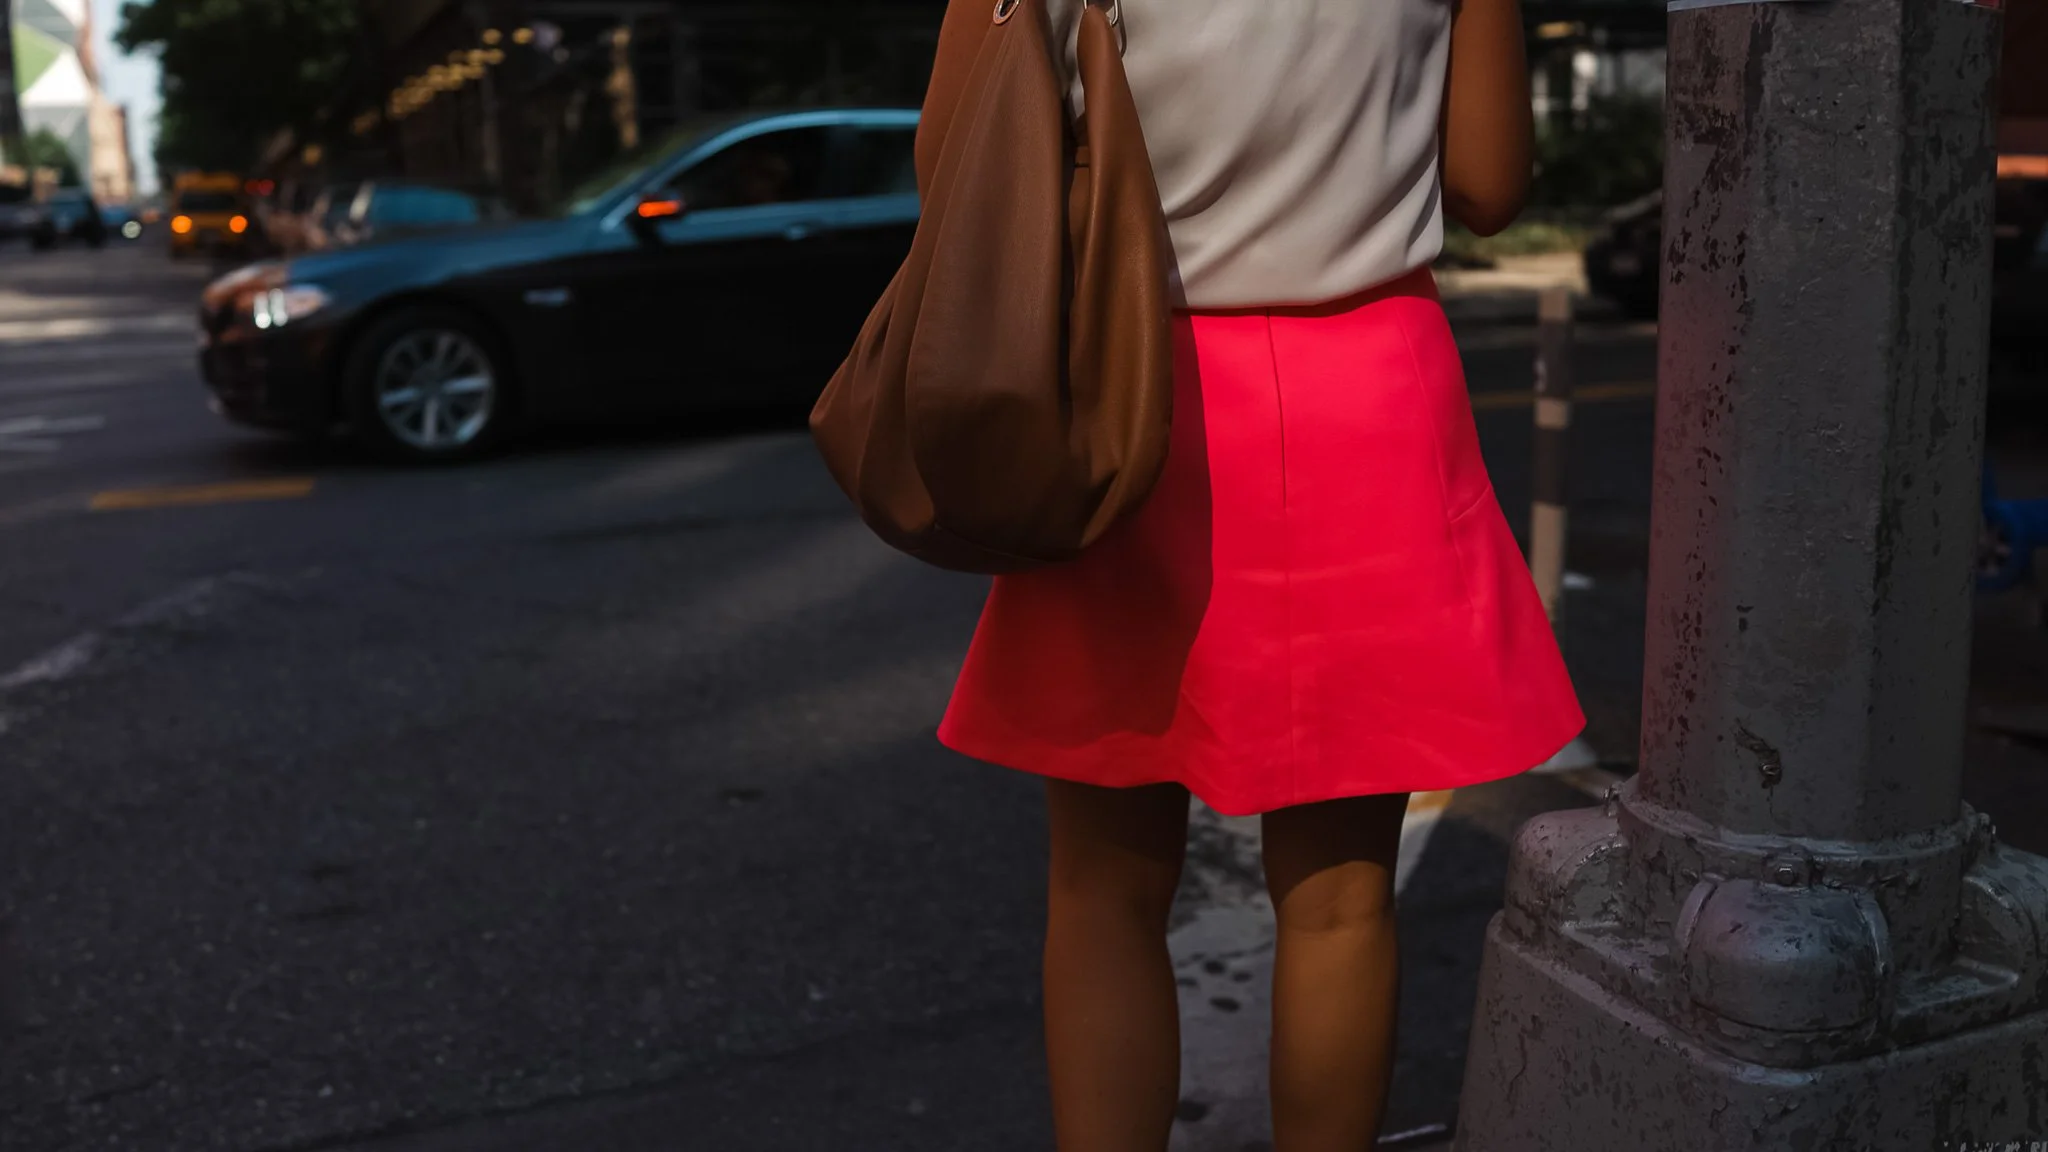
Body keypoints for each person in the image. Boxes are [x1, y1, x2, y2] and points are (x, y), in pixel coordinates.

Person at [931, 1, 1586, 1148]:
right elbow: (1486, 185)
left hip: (1130, 393)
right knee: (1340, 903)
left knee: (1103, 890)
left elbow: (955, 162)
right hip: (1367, 396)